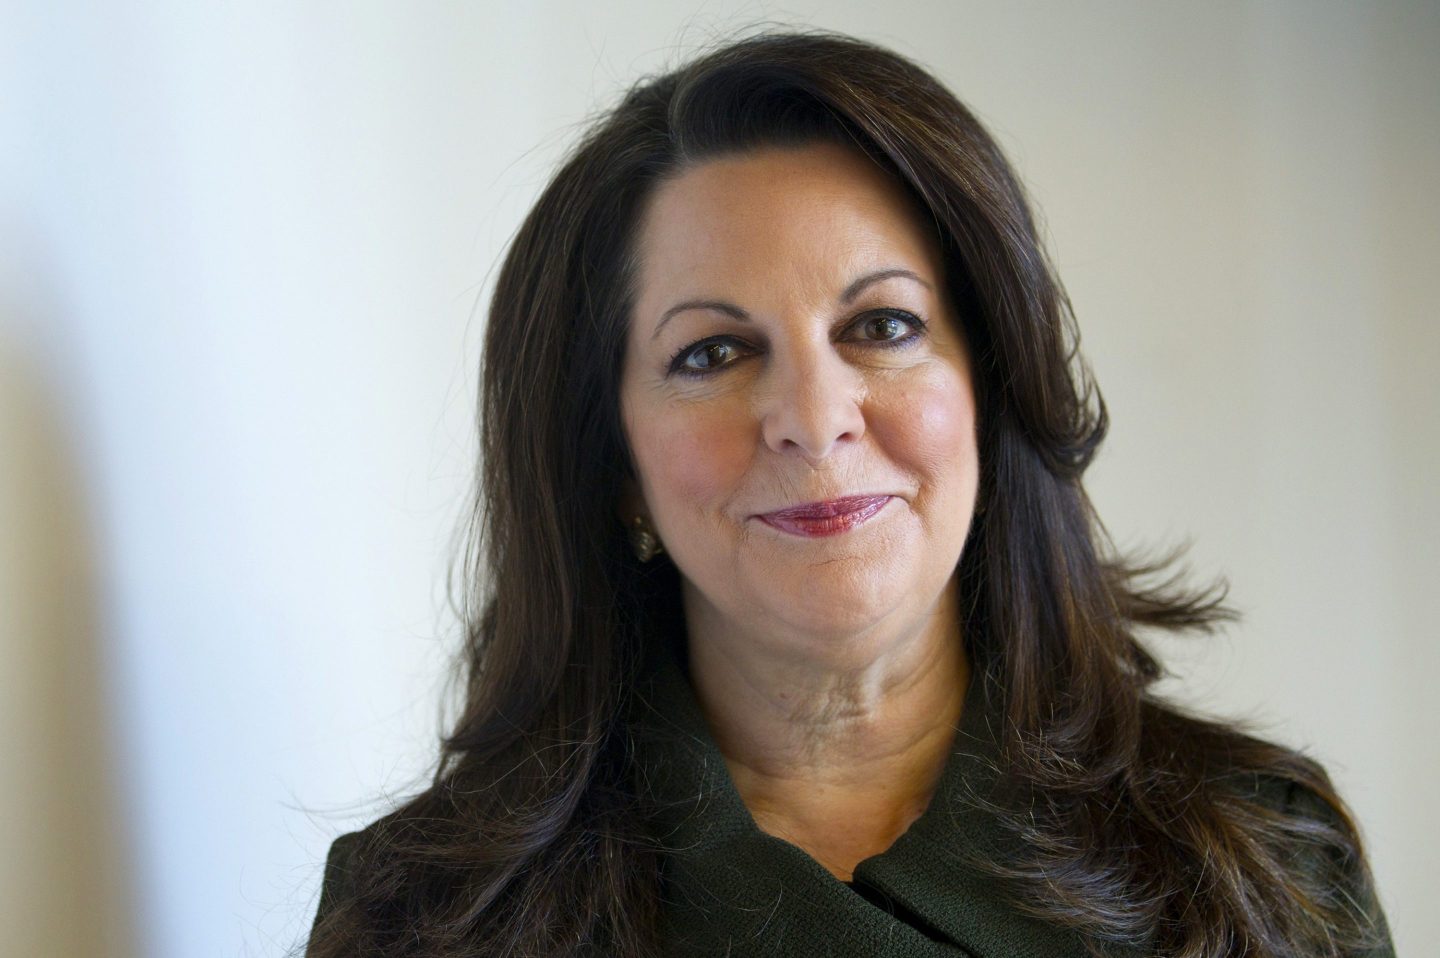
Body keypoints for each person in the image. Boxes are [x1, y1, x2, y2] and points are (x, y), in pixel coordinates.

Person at [305, 31, 1394, 958]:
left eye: (881, 326)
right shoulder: (424, 917)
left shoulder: (1262, 859)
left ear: (991, 389)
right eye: (713, 352)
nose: (814, 415)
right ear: (614, 464)